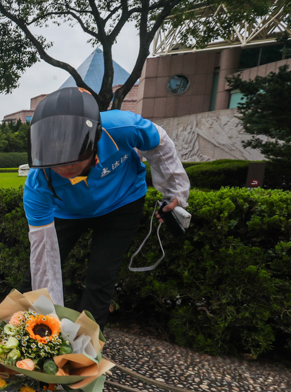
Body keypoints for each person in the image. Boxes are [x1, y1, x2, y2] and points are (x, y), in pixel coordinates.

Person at [20, 87, 189, 329]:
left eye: (73, 158)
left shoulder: (122, 127)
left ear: (95, 138)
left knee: (101, 275)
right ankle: (23, 331)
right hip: (67, 211)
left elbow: (159, 142)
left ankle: (86, 341)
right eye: (55, 160)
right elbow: (44, 262)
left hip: (122, 202)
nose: (65, 168)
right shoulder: (38, 184)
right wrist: (47, 326)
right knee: (34, 278)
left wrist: (175, 192)